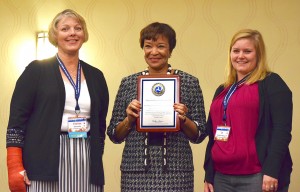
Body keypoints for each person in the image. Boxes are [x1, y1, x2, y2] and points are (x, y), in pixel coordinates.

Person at [6, 9, 109, 192]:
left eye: (78, 28)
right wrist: (15, 167)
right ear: (55, 35)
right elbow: (16, 122)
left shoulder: (96, 76)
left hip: (86, 158)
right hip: (43, 160)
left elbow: (100, 125)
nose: (72, 33)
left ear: (84, 34)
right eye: (65, 29)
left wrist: (96, 156)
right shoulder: (36, 71)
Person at [107, 22, 207, 192]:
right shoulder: (128, 83)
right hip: (135, 172)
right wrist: (129, 120)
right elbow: (114, 135)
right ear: (143, 49)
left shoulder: (189, 82)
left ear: (170, 50)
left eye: (160, 46)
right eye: (148, 46)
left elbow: (200, 134)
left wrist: (183, 120)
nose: (154, 52)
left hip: (177, 172)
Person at [203, 29, 293, 192]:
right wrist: (209, 173)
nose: (240, 56)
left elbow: (282, 131)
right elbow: (213, 135)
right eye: (236, 51)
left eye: (247, 51)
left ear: (258, 54)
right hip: (221, 177)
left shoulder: (272, 83)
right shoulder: (222, 89)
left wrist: (271, 171)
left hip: (258, 176)